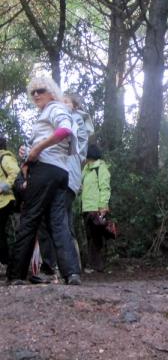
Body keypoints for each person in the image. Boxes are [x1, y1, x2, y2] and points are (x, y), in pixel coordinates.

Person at [6, 76, 81, 286]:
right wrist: (28, 150)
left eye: (40, 90)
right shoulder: (47, 113)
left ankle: (16, 275)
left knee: (30, 218)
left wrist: (37, 149)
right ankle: (71, 273)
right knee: (58, 223)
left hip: (47, 170)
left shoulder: (54, 108)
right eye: (33, 92)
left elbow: (65, 130)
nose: (36, 95)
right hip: (60, 172)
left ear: (51, 92)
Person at [34, 92, 94, 283]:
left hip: (65, 176)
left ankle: (60, 269)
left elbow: (75, 150)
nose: (62, 103)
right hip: (63, 176)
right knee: (62, 222)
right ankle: (68, 269)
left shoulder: (73, 121)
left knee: (57, 222)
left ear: (75, 106)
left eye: (66, 101)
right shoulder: (60, 118)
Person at [80, 144, 111, 273]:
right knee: (89, 236)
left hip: (97, 208)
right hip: (86, 208)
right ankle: (92, 264)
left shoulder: (101, 168)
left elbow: (105, 188)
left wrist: (103, 206)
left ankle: (97, 265)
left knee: (96, 237)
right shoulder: (86, 169)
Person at [0, 137, 20, 269]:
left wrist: (3, 187)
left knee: (3, 233)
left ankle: (8, 262)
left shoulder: (5, 158)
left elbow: (15, 172)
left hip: (6, 201)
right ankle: (6, 260)